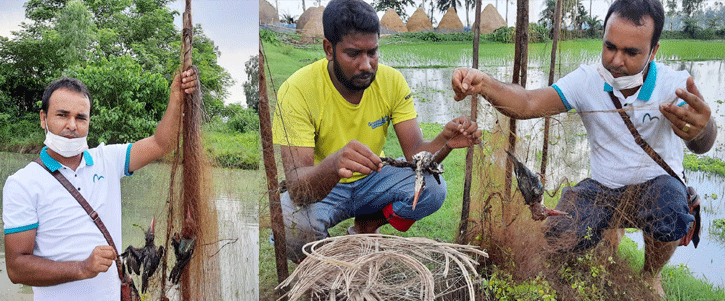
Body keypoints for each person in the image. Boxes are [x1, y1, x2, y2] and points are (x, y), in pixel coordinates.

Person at [451, 0, 716, 296]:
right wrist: (485, 84)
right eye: (610, 47)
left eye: (631, 52)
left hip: (656, 187)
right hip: (603, 187)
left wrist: (702, 130)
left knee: (671, 212)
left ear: (653, 51)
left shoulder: (675, 85)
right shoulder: (587, 81)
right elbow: (527, 103)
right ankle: (608, 235)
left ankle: (650, 274)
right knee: (558, 234)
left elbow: (702, 142)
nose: (616, 60)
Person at [272, 0, 482, 263]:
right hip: (325, 188)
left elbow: (416, 155)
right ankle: (326, 266)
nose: (366, 65)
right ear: (329, 49)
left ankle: (366, 226)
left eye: (372, 52)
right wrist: (334, 164)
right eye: (353, 54)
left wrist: (446, 142)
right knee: (288, 222)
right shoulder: (297, 90)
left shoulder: (391, 81)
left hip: (373, 179)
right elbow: (297, 187)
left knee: (433, 188)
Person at [2, 69, 197, 300]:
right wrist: (83, 268)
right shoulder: (22, 183)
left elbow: (162, 144)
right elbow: (16, 267)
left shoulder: (108, 160)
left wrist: (175, 96)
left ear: (89, 122)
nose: (72, 125)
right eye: (62, 115)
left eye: (80, 117)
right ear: (44, 118)